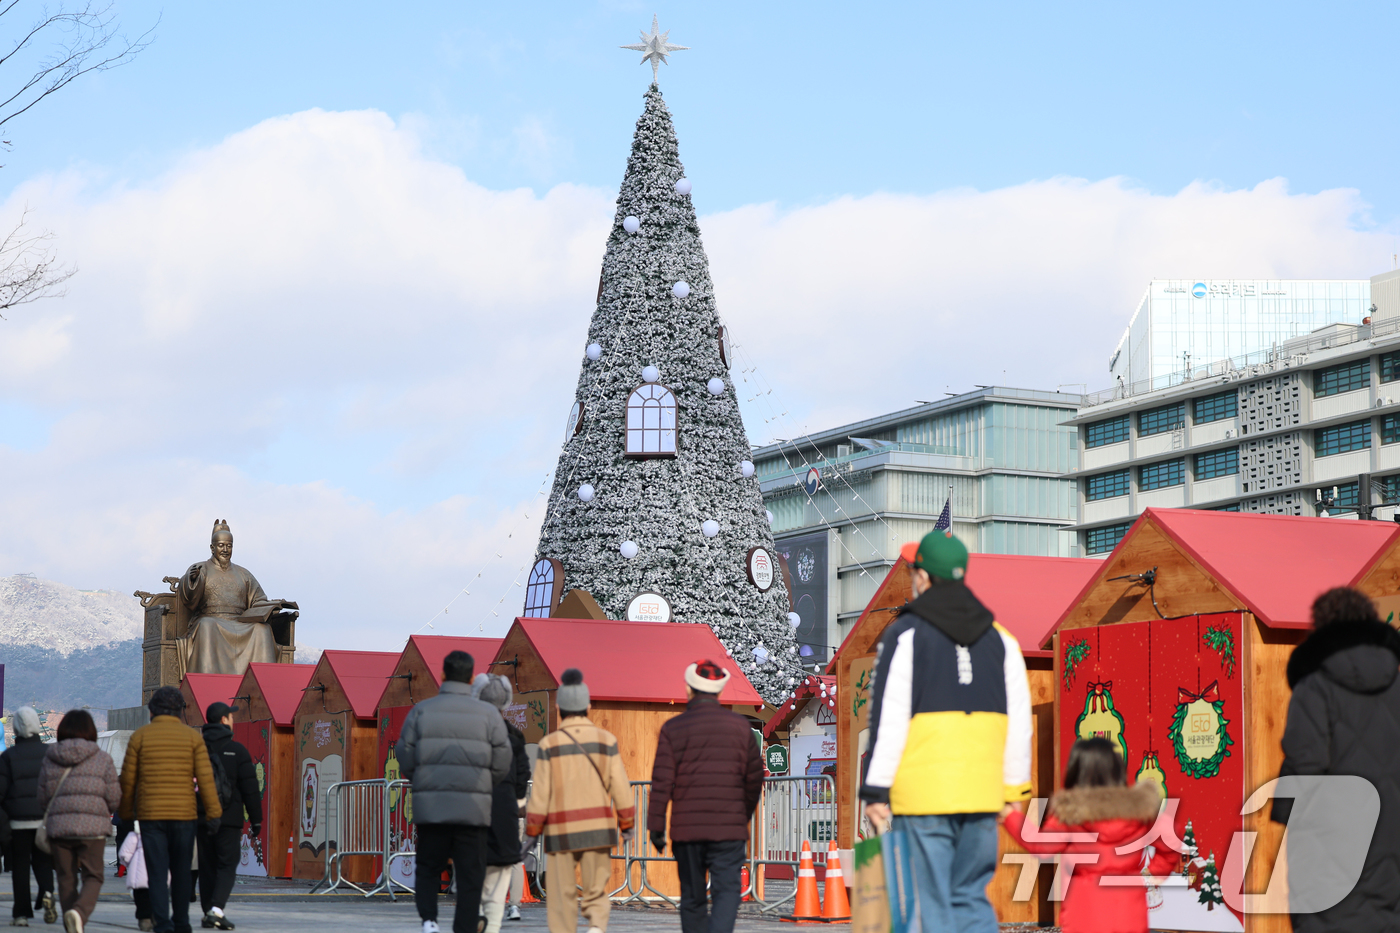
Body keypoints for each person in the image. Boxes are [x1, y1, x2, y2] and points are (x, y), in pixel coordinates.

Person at [859, 529, 1033, 933]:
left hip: (923, 797)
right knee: (970, 897)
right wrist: (1013, 793)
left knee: (932, 902)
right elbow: (1019, 722)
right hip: (982, 794)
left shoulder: (905, 635)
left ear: (923, 578)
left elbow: (888, 718)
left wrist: (875, 790)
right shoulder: (1002, 640)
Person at [1271, 586, 1400, 932]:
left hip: (1330, 857)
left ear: (1322, 629)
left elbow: (1304, 767)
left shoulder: (1314, 689)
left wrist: (1283, 815)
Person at [1003, 738, 1180, 933]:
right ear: (1117, 769)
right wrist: (1154, 873)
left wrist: (1009, 815)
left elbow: (1040, 846)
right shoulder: (1140, 810)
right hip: (1130, 909)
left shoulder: (1070, 814)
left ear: (1075, 771)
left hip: (1085, 910)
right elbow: (1171, 840)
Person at [397, 651, 511, 933]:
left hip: (432, 808)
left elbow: (405, 755)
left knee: (428, 867)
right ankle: (464, 928)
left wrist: (422, 779)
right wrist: (484, 783)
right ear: (472, 678)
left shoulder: (421, 711)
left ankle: (430, 921)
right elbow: (502, 761)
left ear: (443, 676)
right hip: (473, 809)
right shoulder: (489, 715)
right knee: (471, 875)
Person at [647, 659, 763, 933]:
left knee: (692, 897)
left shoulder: (673, 729)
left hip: (687, 832)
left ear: (689, 690)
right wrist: (742, 814)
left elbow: (662, 781)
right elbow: (754, 778)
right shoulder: (740, 727)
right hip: (729, 829)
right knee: (727, 892)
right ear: (718, 691)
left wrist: (656, 828)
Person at [525, 668, 634, 933]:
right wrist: (627, 822)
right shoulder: (606, 740)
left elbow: (540, 794)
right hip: (597, 828)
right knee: (596, 887)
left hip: (561, 830)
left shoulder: (550, 744)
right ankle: (596, 926)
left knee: (561, 893)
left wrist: (532, 830)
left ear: (560, 707)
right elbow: (620, 786)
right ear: (588, 705)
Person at [119, 686, 222, 933]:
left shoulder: (139, 737)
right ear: (180, 711)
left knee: (156, 872)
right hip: (184, 816)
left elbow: (128, 781)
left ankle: (162, 924)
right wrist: (214, 813)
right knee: (181, 871)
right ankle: (182, 923)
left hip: (150, 816)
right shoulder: (192, 738)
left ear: (152, 711)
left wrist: (125, 813)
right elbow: (206, 780)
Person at [37, 710, 122, 933]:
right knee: (93, 875)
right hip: (93, 829)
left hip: (60, 829)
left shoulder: (51, 756)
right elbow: (114, 797)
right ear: (91, 731)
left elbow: (43, 796)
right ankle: (79, 913)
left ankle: (71, 921)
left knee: (66, 877)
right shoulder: (103, 759)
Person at [472, 674, 531, 933]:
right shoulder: (515, 736)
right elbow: (522, 777)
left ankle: (477, 916)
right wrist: (516, 802)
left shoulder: (468, 733)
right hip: (505, 813)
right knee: (500, 880)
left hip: (472, 813)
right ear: (506, 700)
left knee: (472, 876)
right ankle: (493, 924)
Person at [197, 702, 262, 930]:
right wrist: (256, 820)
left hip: (201, 817)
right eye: (230, 717)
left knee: (206, 866)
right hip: (230, 819)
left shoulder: (197, 748)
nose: (233, 720)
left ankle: (208, 912)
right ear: (224, 720)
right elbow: (250, 789)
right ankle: (216, 910)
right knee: (227, 864)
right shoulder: (238, 750)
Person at [0, 707, 57, 927]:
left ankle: (21, 914)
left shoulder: (8, 757)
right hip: (43, 821)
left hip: (17, 823)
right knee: (43, 862)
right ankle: (48, 893)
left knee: (20, 867)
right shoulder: (50, 754)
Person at [117, 822, 154, 931]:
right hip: (157, 871)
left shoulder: (136, 833)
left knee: (141, 898)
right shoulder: (163, 832)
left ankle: (144, 919)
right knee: (158, 897)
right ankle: (157, 917)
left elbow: (126, 851)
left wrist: (123, 866)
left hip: (139, 871)